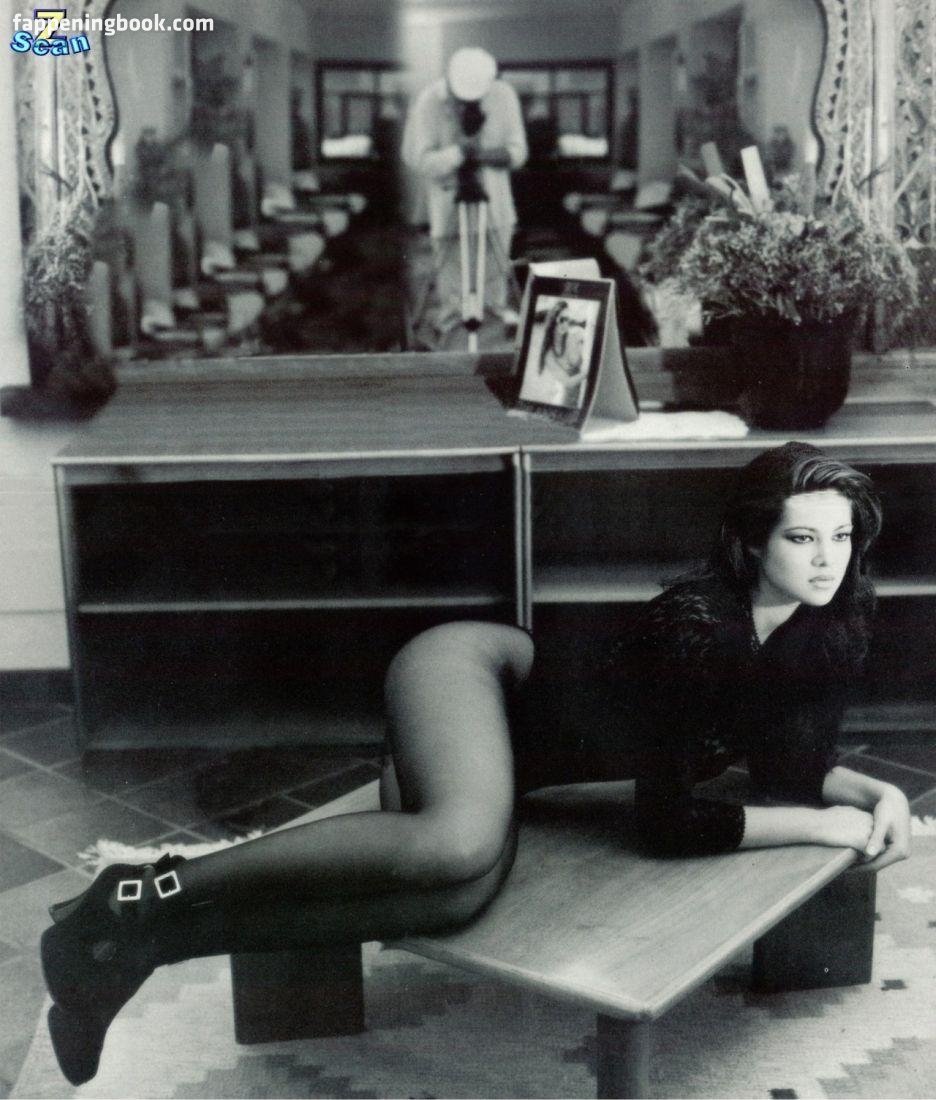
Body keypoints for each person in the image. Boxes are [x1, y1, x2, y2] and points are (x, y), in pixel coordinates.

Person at [40, 442, 910, 1086]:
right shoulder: (701, 626)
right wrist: (819, 826)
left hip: (509, 766)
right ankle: (143, 891)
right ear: (754, 542)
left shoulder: (826, 626)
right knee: (456, 847)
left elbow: (793, 764)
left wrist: (879, 797)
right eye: (803, 538)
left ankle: (138, 948)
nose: (827, 560)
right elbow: (668, 821)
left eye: (841, 537)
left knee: (452, 900)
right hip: (470, 675)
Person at [402, 47, 528, 338]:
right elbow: (418, 159)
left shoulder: (504, 95)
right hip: (448, 206)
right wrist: (458, 153)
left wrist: (480, 155)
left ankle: (491, 338)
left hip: (495, 206)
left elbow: (518, 152)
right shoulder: (428, 101)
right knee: (453, 294)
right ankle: (455, 337)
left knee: (494, 291)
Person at [537, 299, 588, 407]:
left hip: (583, 395)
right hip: (565, 401)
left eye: (568, 320)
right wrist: (590, 371)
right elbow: (568, 382)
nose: (566, 324)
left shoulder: (576, 334)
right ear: (553, 319)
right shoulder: (549, 355)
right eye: (562, 319)